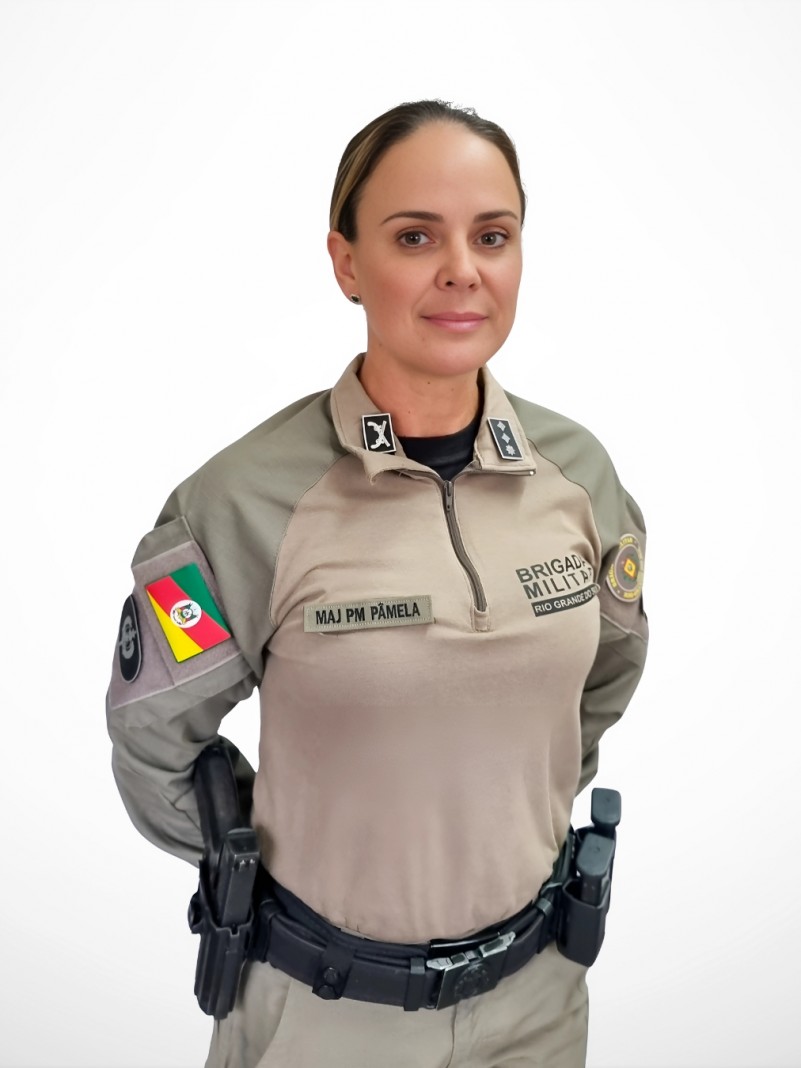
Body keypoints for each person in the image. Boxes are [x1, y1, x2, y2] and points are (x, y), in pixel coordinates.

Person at [107, 99, 648, 1068]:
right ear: (346, 262)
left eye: (492, 236)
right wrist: (283, 856)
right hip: (322, 1015)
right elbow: (155, 744)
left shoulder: (579, 476)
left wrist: (504, 803)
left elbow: (604, 677)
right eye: (415, 236)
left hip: (537, 1004)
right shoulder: (243, 501)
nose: (462, 270)